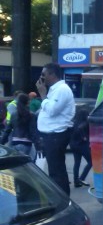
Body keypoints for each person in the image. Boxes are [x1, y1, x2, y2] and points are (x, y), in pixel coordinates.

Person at [36, 63, 75, 195]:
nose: (42, 78)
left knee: (57, 170)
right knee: (54, 169)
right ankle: (60, 195)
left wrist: (43, 95)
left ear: (52, 75)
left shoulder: (62, 89)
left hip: (56, 135)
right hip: (50, 135)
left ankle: (63, 197)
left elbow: (52, 110)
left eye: (44, 74)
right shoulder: (54, 89)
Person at [69, 108, 92, 188]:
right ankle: (81, 178)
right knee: (91, 162)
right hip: (82, 145)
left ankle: (76, 181)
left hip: (73, 145)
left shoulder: (74, 123)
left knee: (77, 163)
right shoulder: (85, 123)